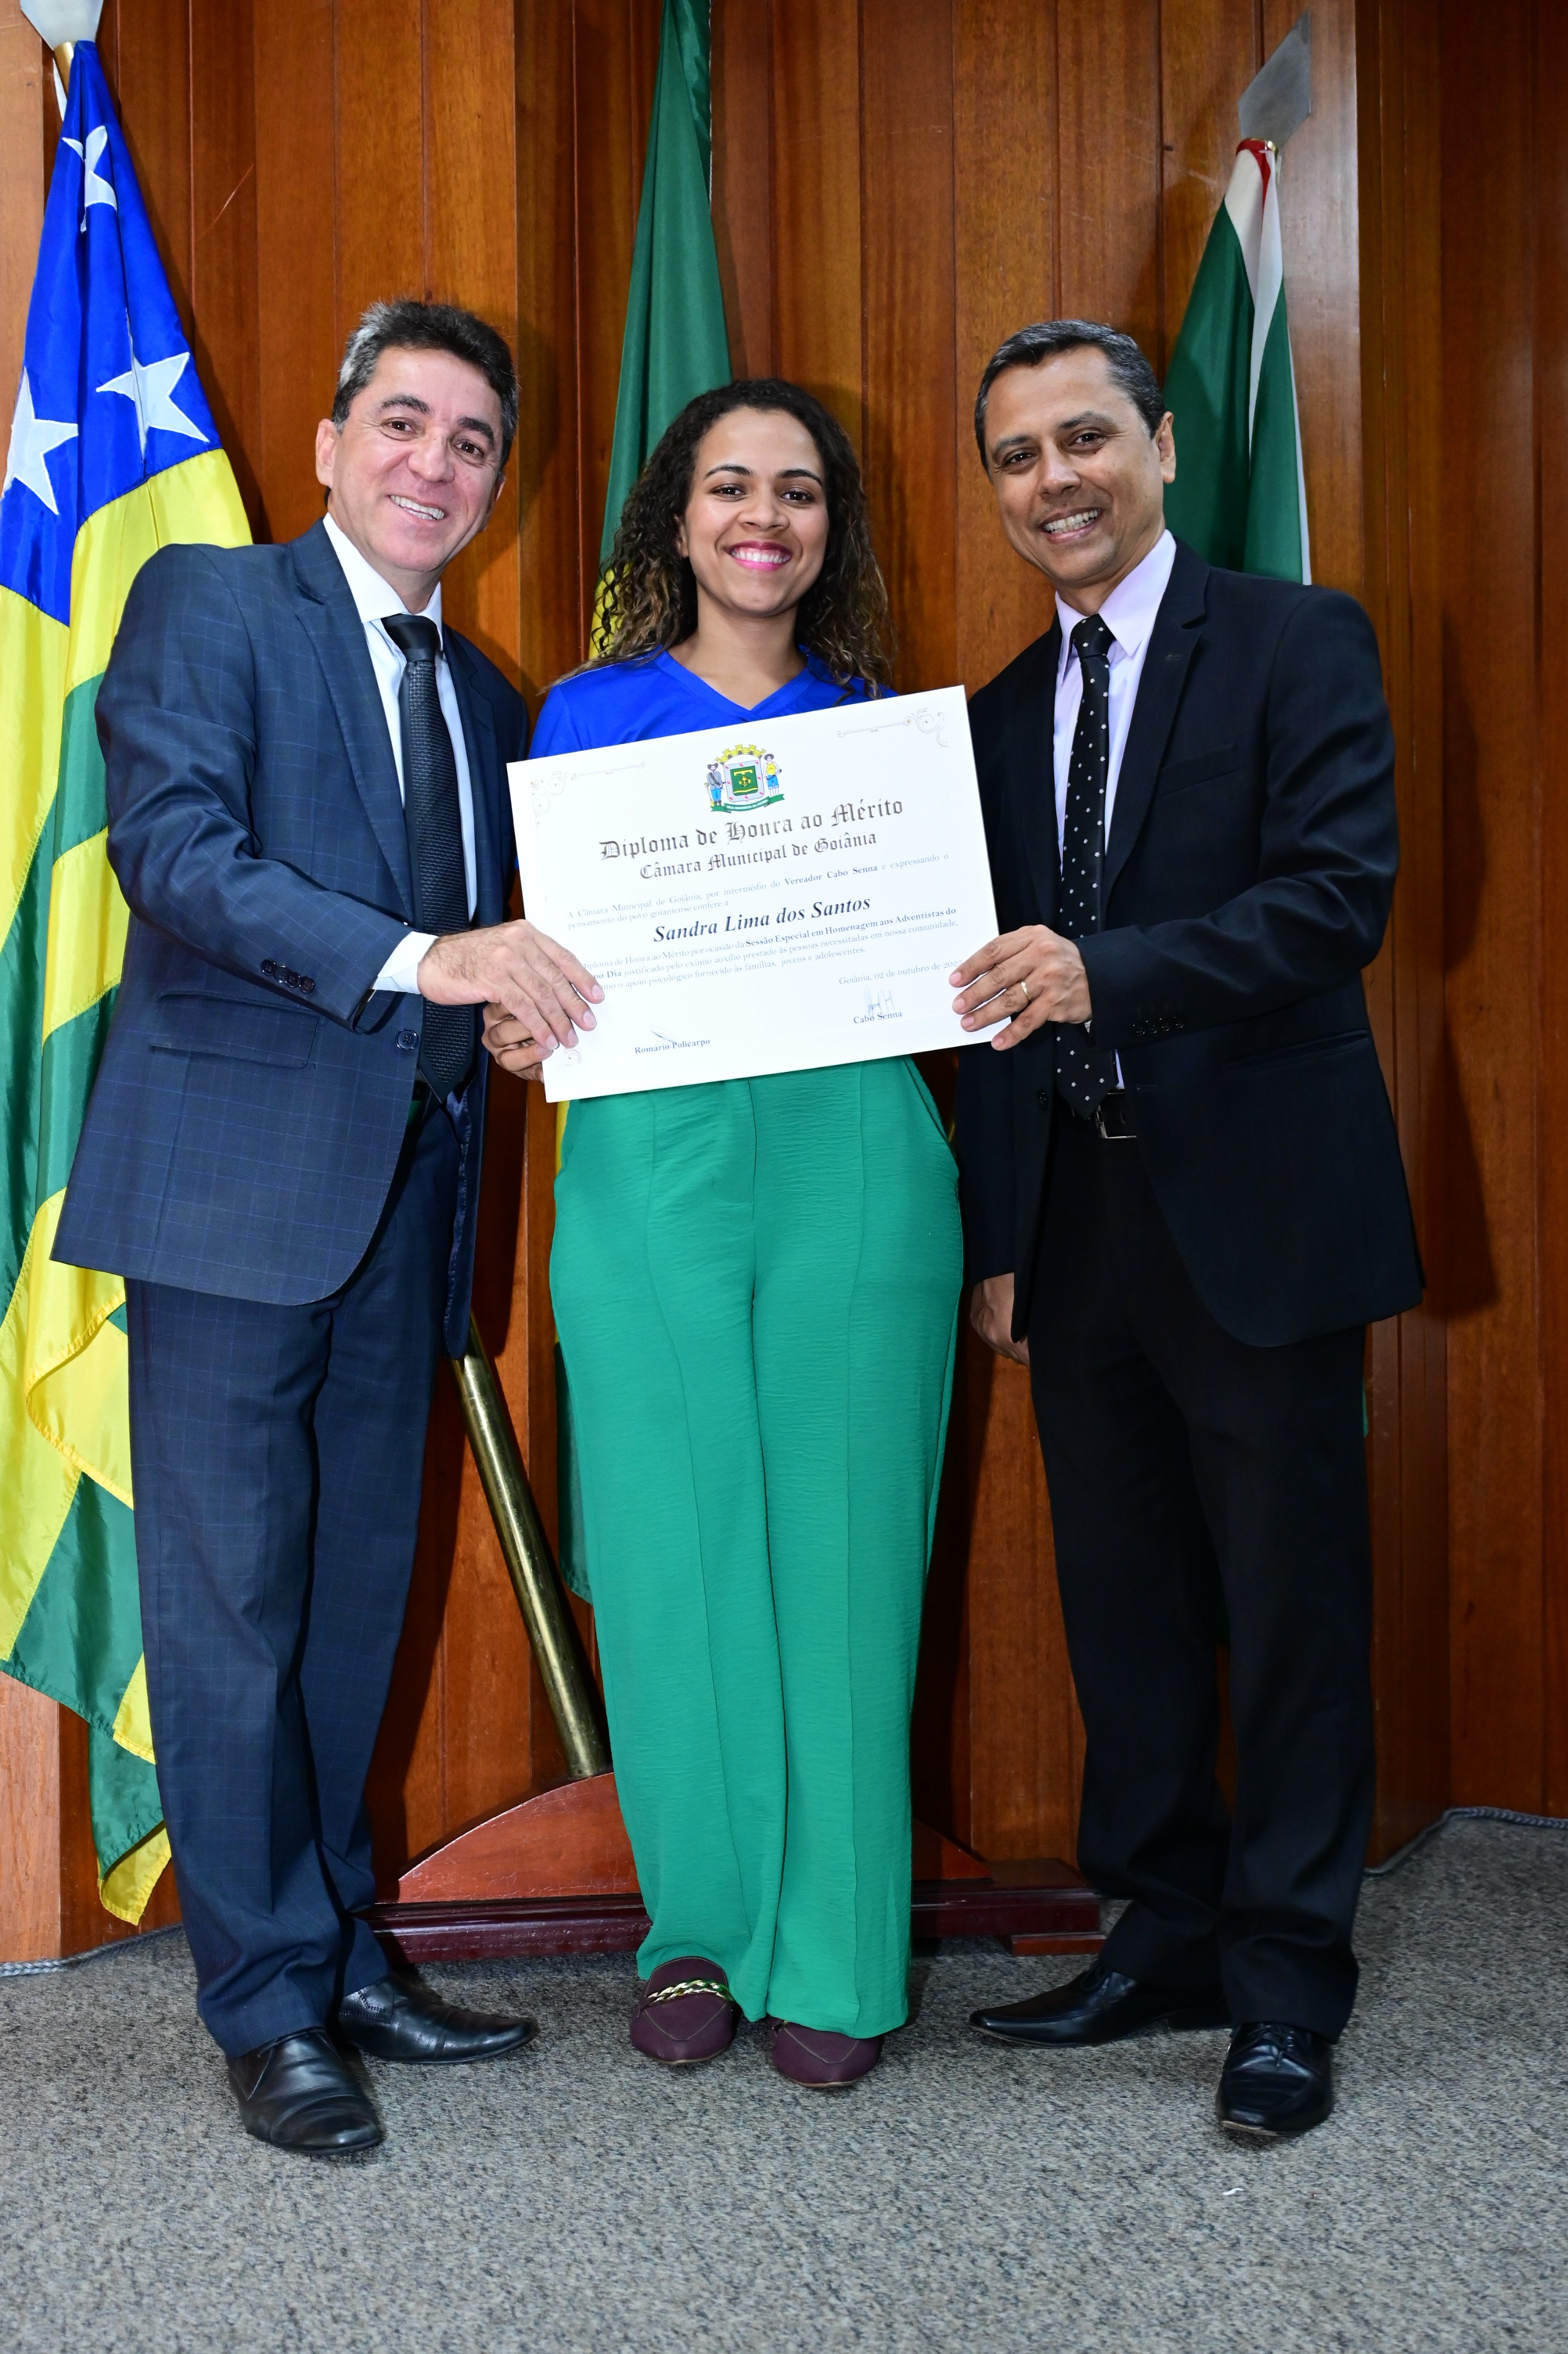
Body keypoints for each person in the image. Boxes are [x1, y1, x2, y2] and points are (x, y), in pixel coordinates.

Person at [55, 299, 604, 2156]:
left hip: (412, 1209)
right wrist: (424, 961)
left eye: (472, 441)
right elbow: (175, 853)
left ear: (496, 483)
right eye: (403, 422)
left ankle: (347, 1949)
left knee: (355, 1605)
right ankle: (266, 2003)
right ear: (328, 443)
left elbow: (498, 959)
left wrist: (517, 1015)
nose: (434, 463)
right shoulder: (211, 606)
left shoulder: (490, 699)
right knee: (232, 1616)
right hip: (227, 1199)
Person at [950, 320, 1422, 2140]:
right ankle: (1160, 1935)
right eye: (1016, 456)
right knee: (1122, 1605)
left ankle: (1288, 1979)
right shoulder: (999, 713)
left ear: (1158, 445)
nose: (1053, 480)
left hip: (1260, 1214)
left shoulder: (1299, 641)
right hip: (1078, 1223)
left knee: (1291, 1609)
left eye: (1084, 439)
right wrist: (1002, 1235)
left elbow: (1336, 900)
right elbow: (989, 996)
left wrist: (1110, 970)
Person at [483, 379, 963, 2089]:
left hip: (857, 1154)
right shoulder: (582, 716)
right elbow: (542, 961)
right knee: (672, 1545)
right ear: (676, 519)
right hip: (647, 1157)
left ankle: (836, 1953)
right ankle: (694, 1925)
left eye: (800, 490)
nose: (765, 516)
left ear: (832, 527)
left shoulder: (884, 735)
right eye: (730, 486)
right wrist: (518, 1018)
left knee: (844, 1552)